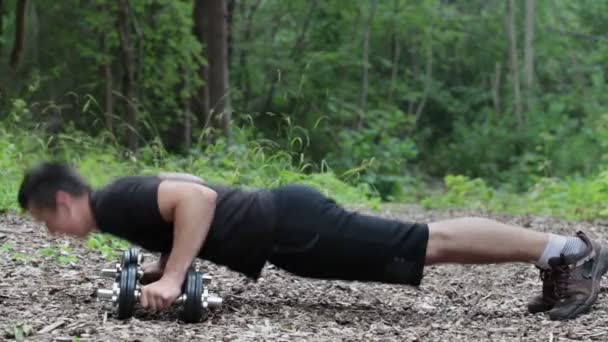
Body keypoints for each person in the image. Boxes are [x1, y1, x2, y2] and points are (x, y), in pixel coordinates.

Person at [16, 161, 608, 321]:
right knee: (425, 244)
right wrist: (169, 263)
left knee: (428, 241)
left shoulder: (113, 201)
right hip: (284, 224)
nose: (54, 233)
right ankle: (557, 256)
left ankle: (565, 252)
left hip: (289, 225)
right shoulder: (118, 204)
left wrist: (174, 278)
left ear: (62, 202)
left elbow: (197, 199)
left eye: (48, 223)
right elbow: (190, 190)